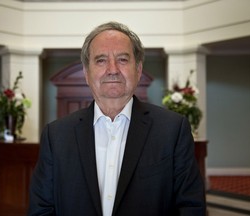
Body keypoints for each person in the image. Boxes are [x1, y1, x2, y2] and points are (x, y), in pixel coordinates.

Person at [28, 21, 206, 216]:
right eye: (101, 60)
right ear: (87, 74)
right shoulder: (56, 136)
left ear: (138, 70)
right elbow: (41, 209)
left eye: (122, 59)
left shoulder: (172, 130)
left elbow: (191, 207)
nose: (112, 69)